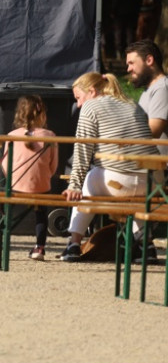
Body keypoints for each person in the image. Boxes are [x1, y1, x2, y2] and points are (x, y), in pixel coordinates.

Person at [59, 72, 159, 262]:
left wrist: (74, 186)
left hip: (119, 181)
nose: (78, 104)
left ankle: (73, 243)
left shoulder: (90, 106)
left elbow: (82, 150)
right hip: (153, 181)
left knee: (90, 178)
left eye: (78, 98)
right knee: (136, 198)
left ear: (92, 91)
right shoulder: (132, 104)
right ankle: (147, 244)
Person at [0, 96, 59, 261]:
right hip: (41, 187)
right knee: (41, 213)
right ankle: (40, 247)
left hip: (15, 186)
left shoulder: (11, 135)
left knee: (1, 204)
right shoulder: (51, 135)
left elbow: (4, 165)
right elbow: (54, 166)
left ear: (19, 114)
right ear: (42, 114)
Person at [125, 39, 168, 154]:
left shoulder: (162, 88)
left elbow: (153, 130)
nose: (128, 69)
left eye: (131, 63)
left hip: (160, 168)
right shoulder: (149, 90)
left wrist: (121, 133)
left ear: (149, 60)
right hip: (147, 165)